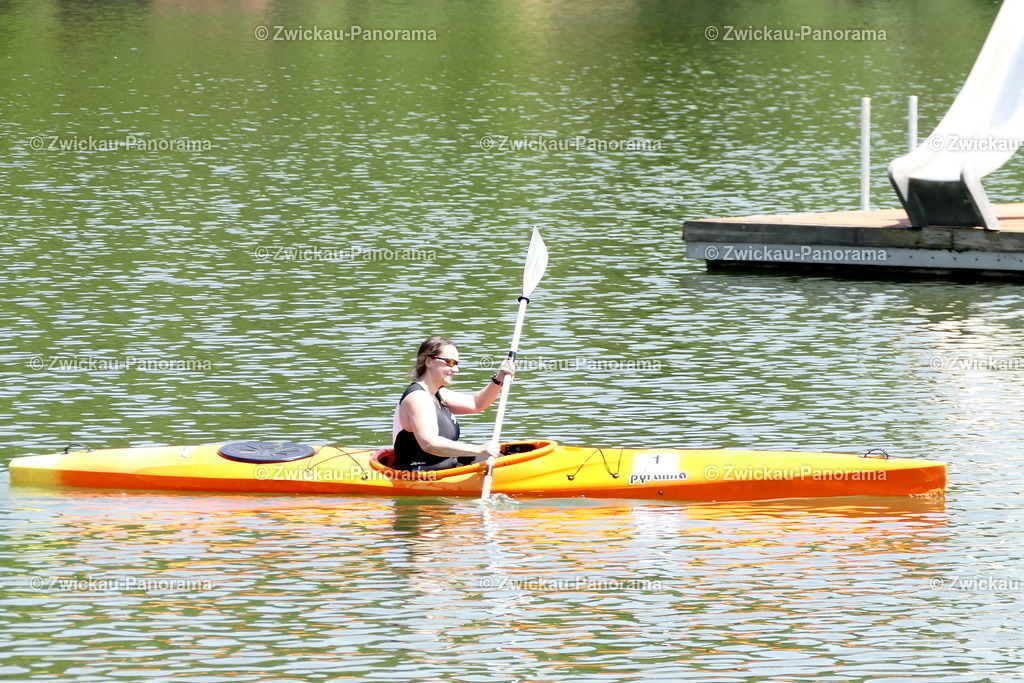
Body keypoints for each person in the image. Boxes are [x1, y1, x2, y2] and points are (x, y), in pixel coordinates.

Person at [392, 336, 514, 471]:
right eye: (450, 362)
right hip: (422, 474)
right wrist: (479, 449)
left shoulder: (438, 393)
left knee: (508, 458)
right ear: (428, 362)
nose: (455, 369)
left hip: (449, 466)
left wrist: (499, 379)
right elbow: (429, 443)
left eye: (456, 363)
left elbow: (477, 404)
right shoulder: (417, 398)